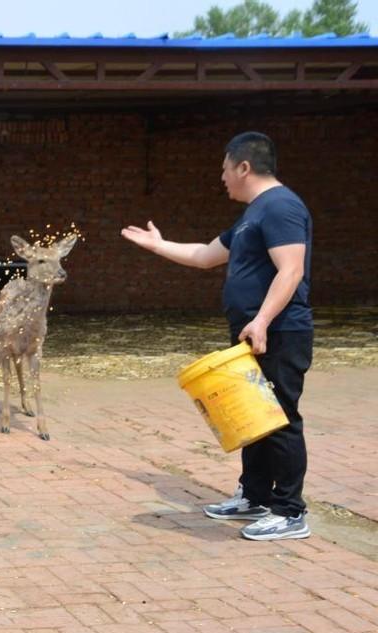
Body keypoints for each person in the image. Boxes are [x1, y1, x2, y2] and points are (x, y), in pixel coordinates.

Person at [121, 132, 313, 541]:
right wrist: (158, 246)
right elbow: (206, 255)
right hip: (253, 332)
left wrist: (261, 320)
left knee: (279, 419)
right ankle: (255, 496)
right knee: (252, 415)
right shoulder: (252, 214)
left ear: (244, 167)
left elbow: (291, 270)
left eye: (225, 169)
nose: (222, 177)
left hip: (278, 332)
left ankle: (290, 511)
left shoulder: (280, 207)